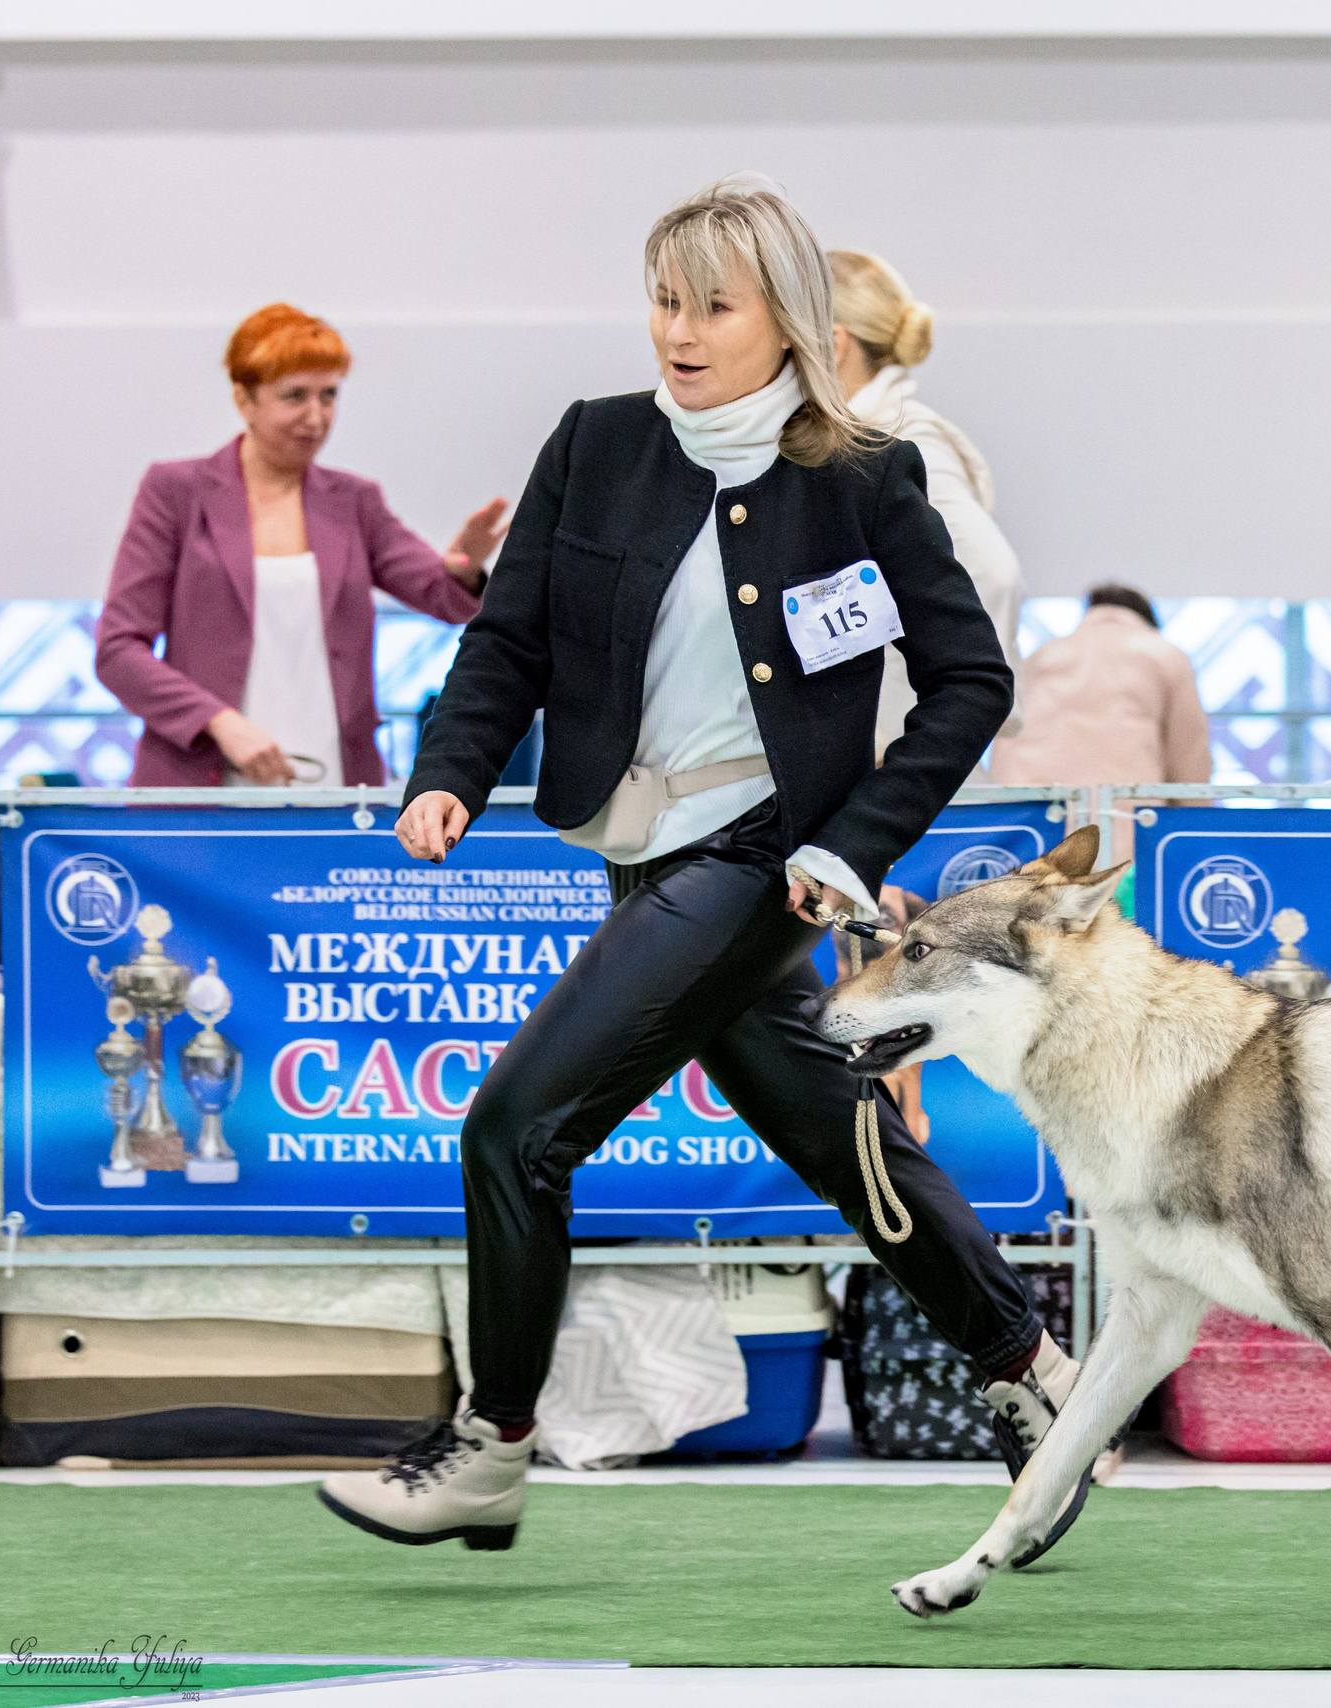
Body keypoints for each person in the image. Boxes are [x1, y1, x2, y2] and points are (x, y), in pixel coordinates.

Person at [317, 174, 1091, 1561]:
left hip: (762, 861)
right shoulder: (596, 442)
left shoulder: (864, 477)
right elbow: (508, 639)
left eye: (712, 306)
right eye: (664, 300)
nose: (677, 330)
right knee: (841, 1140)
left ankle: (490, 1446)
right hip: (641, 855)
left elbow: (972, 681)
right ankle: (1032, 1368)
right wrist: (450, 773)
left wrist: (854, 841)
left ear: (785, 318)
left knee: (513, 1129)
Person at [95, 305, 508, 788]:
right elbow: (118, 650)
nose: (316, 416)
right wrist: (218, 721)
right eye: (295, 396)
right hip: (202, 784)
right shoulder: (175, 492)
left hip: (337, 784)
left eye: (328, 395)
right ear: (243, 399)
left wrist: (463, 568)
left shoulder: (355, 500)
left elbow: (445, 599)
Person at [830, 248, 1025, 760]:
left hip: (894, 768)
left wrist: (913, 735)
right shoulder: (855, 436)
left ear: (833, 344)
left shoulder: (900, 437)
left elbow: (992, 574)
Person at [988, 584, 1210, 793]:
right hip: (1122, 805)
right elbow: (1188, 751)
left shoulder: (1043, 654)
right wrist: (1195, 811)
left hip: (1034, 804)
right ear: (1149, 619)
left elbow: (1007, 733)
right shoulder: (1165, 655)